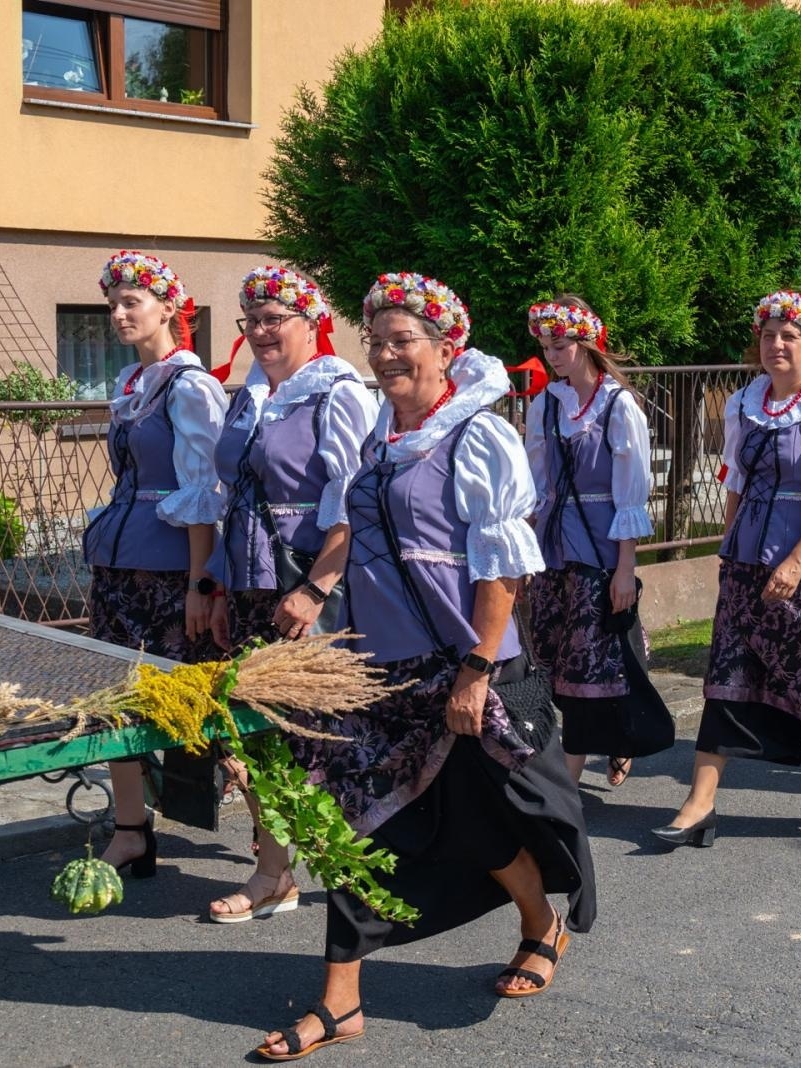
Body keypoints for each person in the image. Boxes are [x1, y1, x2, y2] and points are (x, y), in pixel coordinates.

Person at [258, 272, 594, 1060]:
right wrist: (316, 590)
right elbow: (349, 528)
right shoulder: (378, 437)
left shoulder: (477, 436)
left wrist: (476, 669)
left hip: (464, 668)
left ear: (446, 350)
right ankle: (340, 1002)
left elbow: (502, 568)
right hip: (383, 673)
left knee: (483, 822)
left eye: (402, 340)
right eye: (376, 341)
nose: (385, 355)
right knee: (357, 824)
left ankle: (541, 921)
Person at [654, 290, 801, 847]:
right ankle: (699, 803)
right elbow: (735, 481)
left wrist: (796, 561)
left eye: (789, 336)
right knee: (727, 674)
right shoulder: (744, 402)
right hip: (746, 559)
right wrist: (728, 549)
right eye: (767, 336)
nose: (776, 345)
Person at [204, 265, 377, 923]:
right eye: (252, 320)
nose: (260, 331)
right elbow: (232, 497)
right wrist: (218, 585)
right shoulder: (251, 396)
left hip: (305, 585)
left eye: (274, 319)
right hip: (250, 583)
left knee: (316, 735)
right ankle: (275, 874)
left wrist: (315, 588)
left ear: (310, 324)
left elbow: (355, 502)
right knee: (258, 734)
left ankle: (351, 866)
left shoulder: (336, 394)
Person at [81, 250, 227, 876]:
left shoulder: (190, 387)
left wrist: (201, 584)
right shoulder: (132, 384)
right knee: (116, 697)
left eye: (131, 302)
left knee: (198, 702)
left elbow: (205, 492)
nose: (119, 314)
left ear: (168, 308)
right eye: (112, 304)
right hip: (119, 566)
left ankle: (274, 838)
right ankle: (131, 828)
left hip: (170, 572)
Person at [523, 295, 671, 789]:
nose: (552, 356)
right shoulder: (546, 404)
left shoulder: (617, 404)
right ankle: (605, 742)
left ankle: (566, 781)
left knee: (591, 656)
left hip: (599, 544)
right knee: (551, 655)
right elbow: (536, 485)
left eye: (560, 345)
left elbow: (631, 492)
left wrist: (625, 568)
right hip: (553, 544)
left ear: (586, 344)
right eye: (547, 347)